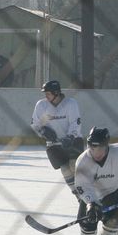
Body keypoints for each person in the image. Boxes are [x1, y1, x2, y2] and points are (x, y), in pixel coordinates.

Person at [31, 79, 85, 221]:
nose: (46, 96)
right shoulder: (41, 105)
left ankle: (87, 194)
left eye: (48, 93)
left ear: (56, 93)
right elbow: (35, 124)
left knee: (75, 166)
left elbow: (75, 123)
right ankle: (80, 198)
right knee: (65, 169)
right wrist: (43, 131)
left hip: (73, 141)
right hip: (54, 144)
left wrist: (70, 136)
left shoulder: (70, 104)